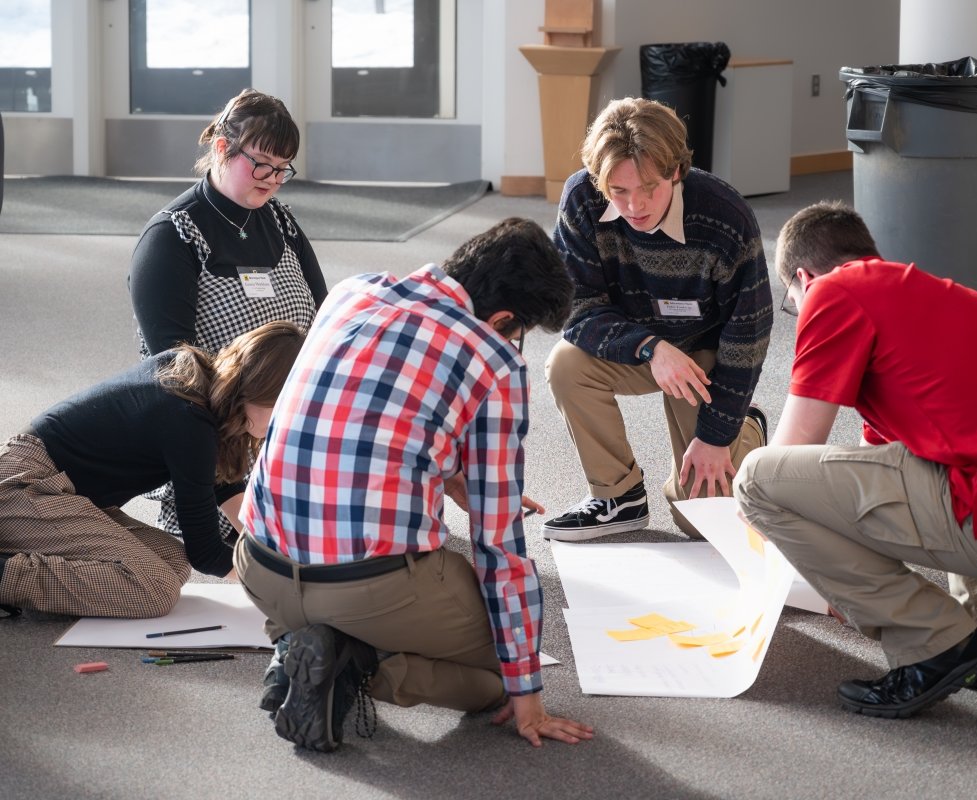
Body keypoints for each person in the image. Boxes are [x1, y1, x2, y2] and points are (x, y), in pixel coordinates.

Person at [733, 201, 977, 719]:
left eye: (792, 303)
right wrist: (836, 561)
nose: (799, 313)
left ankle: (932, 643)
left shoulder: (833, 291)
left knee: (756, 479)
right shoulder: (937, 295)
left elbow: (795, 447)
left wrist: (769, 535)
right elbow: (877, 467)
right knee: (949, 459)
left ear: (803, 278)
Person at [234, 218, 594, 753]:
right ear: (501, 319)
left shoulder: (351, 292)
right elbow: (499, 544)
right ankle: (362, 664)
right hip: (366, 590)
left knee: (349, 595)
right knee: (505, 665)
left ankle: (299, 642)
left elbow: (355, 416)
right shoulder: (496, 361)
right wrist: (527, 692)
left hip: (259, 569)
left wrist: (446, 475)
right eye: (516, 332)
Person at [542, 97, 772, 541]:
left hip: (703, 356)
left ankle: (745, 428)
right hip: (635, 346)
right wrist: (651, 347)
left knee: (700, 523)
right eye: (618, 191)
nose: (635, 205)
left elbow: (749, 332)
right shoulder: (581, 199)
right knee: (565, 365)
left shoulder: (725, 216)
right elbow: (574, 306)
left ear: (676, 171)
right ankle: (618, 496)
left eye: (649, 187)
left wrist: (717, 434)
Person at [127, 88, 328, 544]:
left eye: (283, 168)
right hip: (223, 439)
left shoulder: (280, 222)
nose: (273, 179)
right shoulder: (171, 236)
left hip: (290, 422)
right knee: (279, 542)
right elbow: (175, 373)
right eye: (261, 164)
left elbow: (324, 320)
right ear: (222, 148)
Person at [0, 321, 304, 619]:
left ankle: (30, 554)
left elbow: (222, 487)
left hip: (64, 492)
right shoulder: (189, 419)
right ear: (259, 389)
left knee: (173, 562)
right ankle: (6, 572)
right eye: (285, 409)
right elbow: (206, 553)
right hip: (22, 485)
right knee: (155, 589)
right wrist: (283, 590)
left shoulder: (202, 386)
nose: (286, 422)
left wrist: (274, 553)